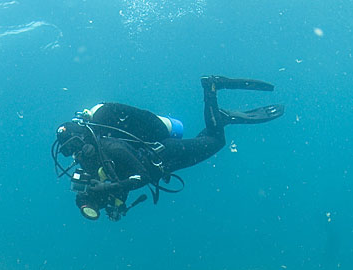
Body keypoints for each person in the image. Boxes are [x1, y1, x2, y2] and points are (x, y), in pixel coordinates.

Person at [52, 75, 284, 221]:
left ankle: (211, 89)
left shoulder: (108, 146)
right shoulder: (93, 163)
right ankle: (220, 118)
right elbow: (123, 182)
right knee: (207, 143)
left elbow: (140, 175)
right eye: (72, 151)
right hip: (164, 161)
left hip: (165, 153)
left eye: (76, 147)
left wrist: (107, 187)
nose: (77, 154)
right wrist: (106, 197)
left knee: (215, 141)